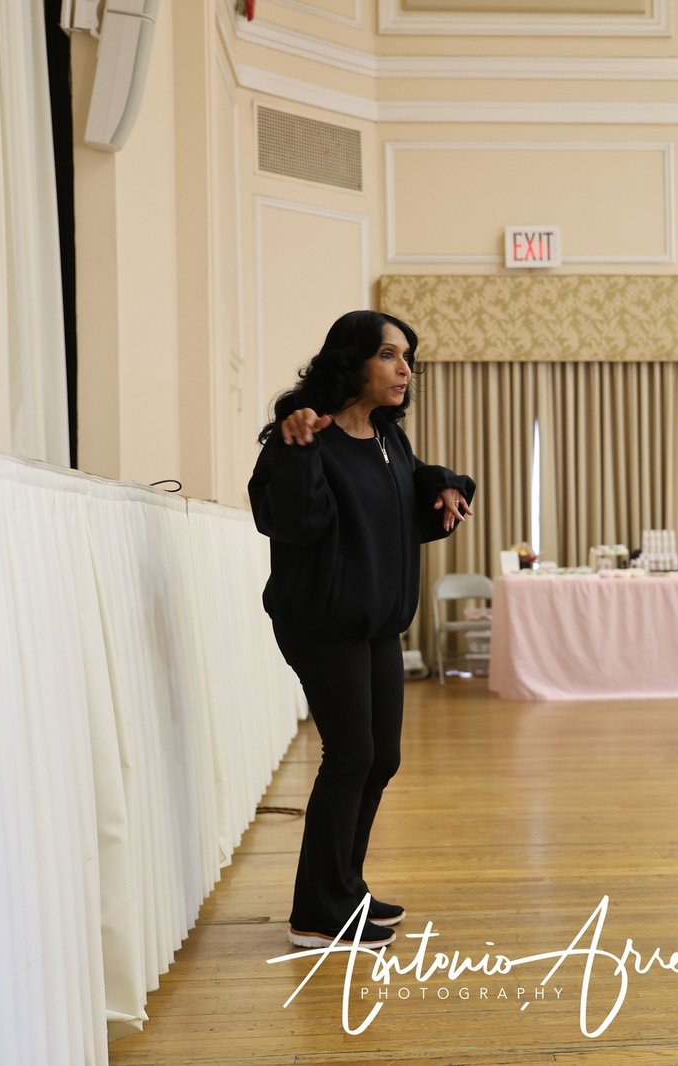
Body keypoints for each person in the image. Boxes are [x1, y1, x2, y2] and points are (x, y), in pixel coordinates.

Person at [249, 311, 475, 950]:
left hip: (375, 623)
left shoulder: (385, 437)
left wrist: (445, 486)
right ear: (352, 362)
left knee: (382, 757)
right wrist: (297, 451)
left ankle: (345, 889)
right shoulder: (304, 435)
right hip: (322, 624)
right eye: (389, 355)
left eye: (408, 358)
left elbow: (412, 481)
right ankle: (318, 912)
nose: (405, 370)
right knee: (350, 755)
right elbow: (293, 521)